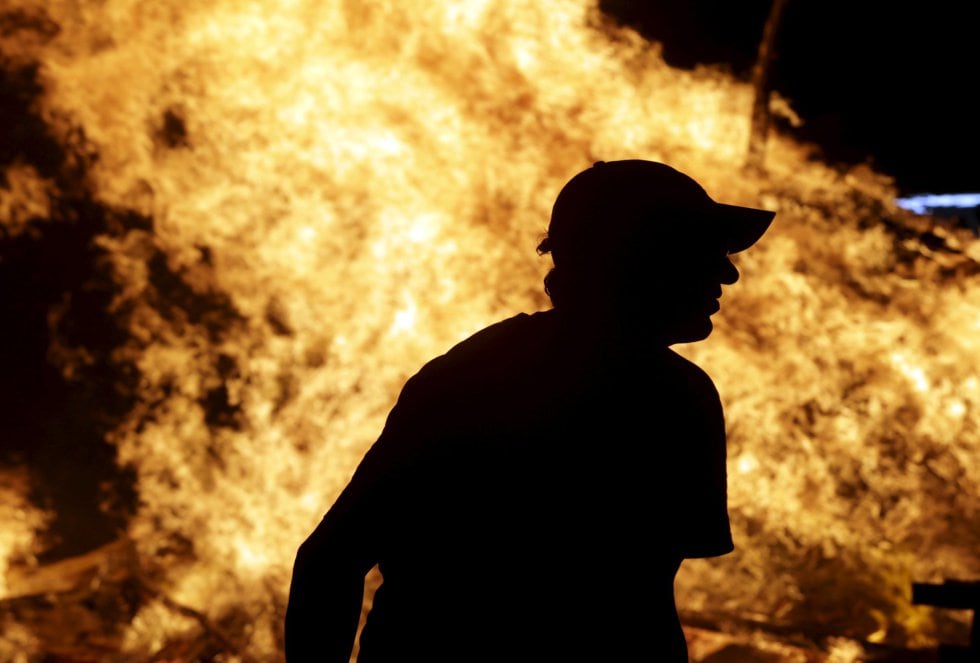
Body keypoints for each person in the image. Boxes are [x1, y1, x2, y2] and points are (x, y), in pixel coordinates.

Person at [285, 159, 775, 662]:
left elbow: (330, 559)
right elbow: (639, 604)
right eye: (700, 251)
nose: (728, 272)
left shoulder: (470, 373)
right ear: (637, 259)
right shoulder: (673, 397)